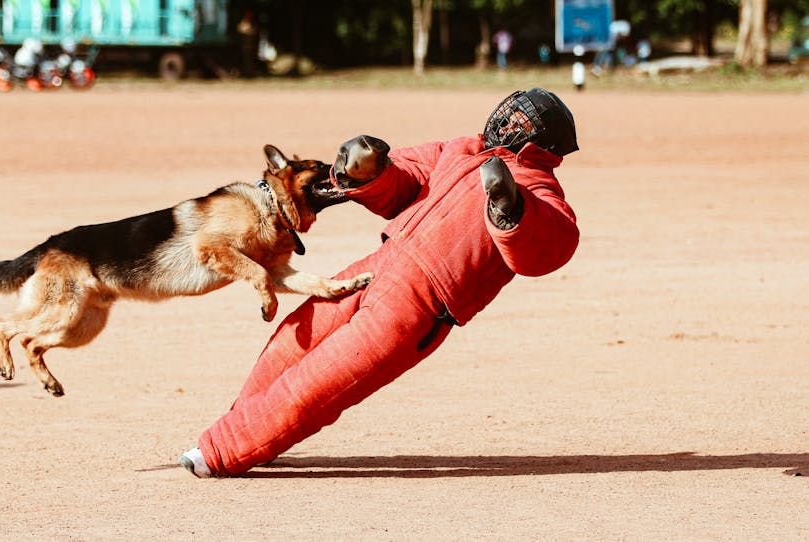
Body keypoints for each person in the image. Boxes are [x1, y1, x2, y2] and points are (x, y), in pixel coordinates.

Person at [180, 88, 580, 478]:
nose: (508, 120)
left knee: (318, 383)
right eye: (512, 110)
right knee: (289, 342)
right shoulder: (463, 148)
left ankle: (220, 452)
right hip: (378, 266)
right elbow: (408, 178)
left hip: (419, 307)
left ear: (542, 143)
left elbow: (551, 245)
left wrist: (512, 209)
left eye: (523, 120)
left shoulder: (539, 189)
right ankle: (250, 435)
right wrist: (369, 171)